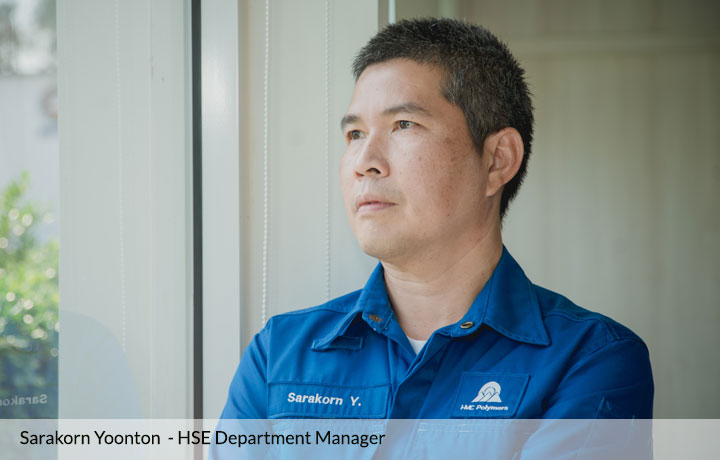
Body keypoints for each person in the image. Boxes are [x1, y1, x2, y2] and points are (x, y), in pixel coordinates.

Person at [219, 17, 653, 420]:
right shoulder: (278, 357)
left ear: (497, 161)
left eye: (404, 125)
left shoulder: (591, 360)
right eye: (355, 134)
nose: (364, 162)